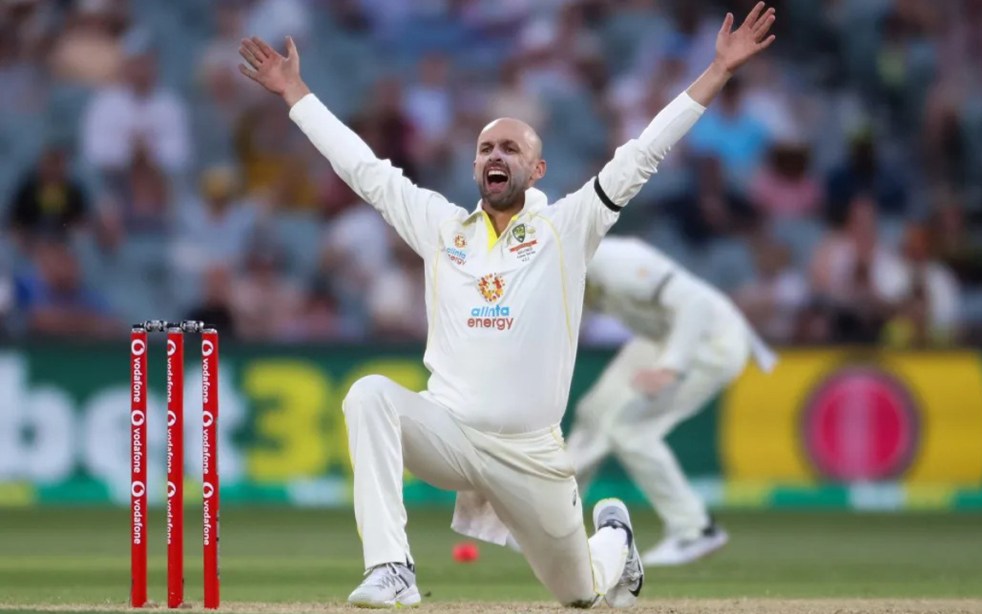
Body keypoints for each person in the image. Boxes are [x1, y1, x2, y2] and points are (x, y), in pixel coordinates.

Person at [238, 3, 775, 608]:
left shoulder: (568, 227)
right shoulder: (442, 228)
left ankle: (616, 540)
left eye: (511, 148)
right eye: (487, 147)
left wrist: (717, 72)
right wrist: (296, 92)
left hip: (530, 452)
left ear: (537, 167)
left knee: (582, 595)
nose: (496, 155)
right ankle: (393, 568)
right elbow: (365, 171)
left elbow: (642, 154)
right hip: (451, 432)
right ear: (474, 166)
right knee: (369, 395)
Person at [567, 236, 777, 567]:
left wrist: (671, 366)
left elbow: (694, 304)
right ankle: (555, 520)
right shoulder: (571, 272)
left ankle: (695, 531)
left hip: (712, 342)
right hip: (661, 337)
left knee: (628, 429)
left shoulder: (616, 262)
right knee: (593, 413)